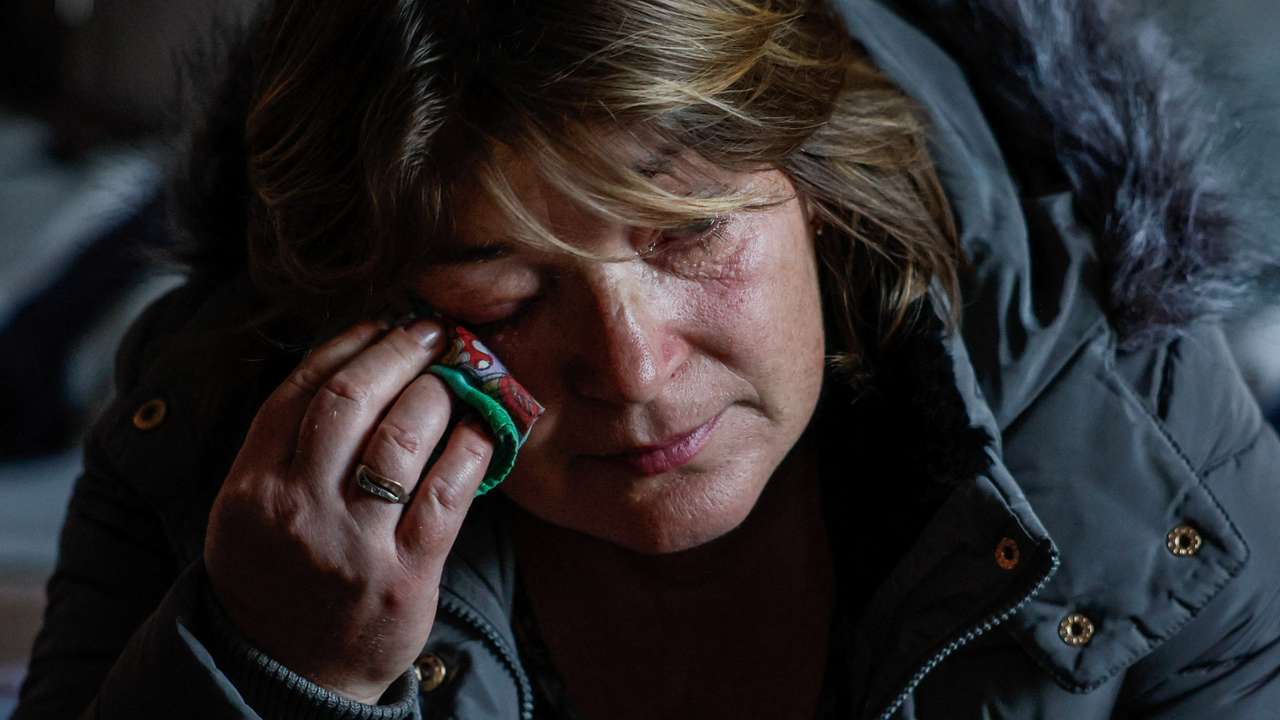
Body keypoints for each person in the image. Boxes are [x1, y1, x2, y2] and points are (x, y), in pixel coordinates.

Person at [14, 0, 1280, 717]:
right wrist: (277, 670)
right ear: (373, 316)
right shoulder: (201, 446)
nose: (627, 367)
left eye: (688, 237)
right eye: (503, 299)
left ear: (821, 193)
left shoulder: (1136, 415)